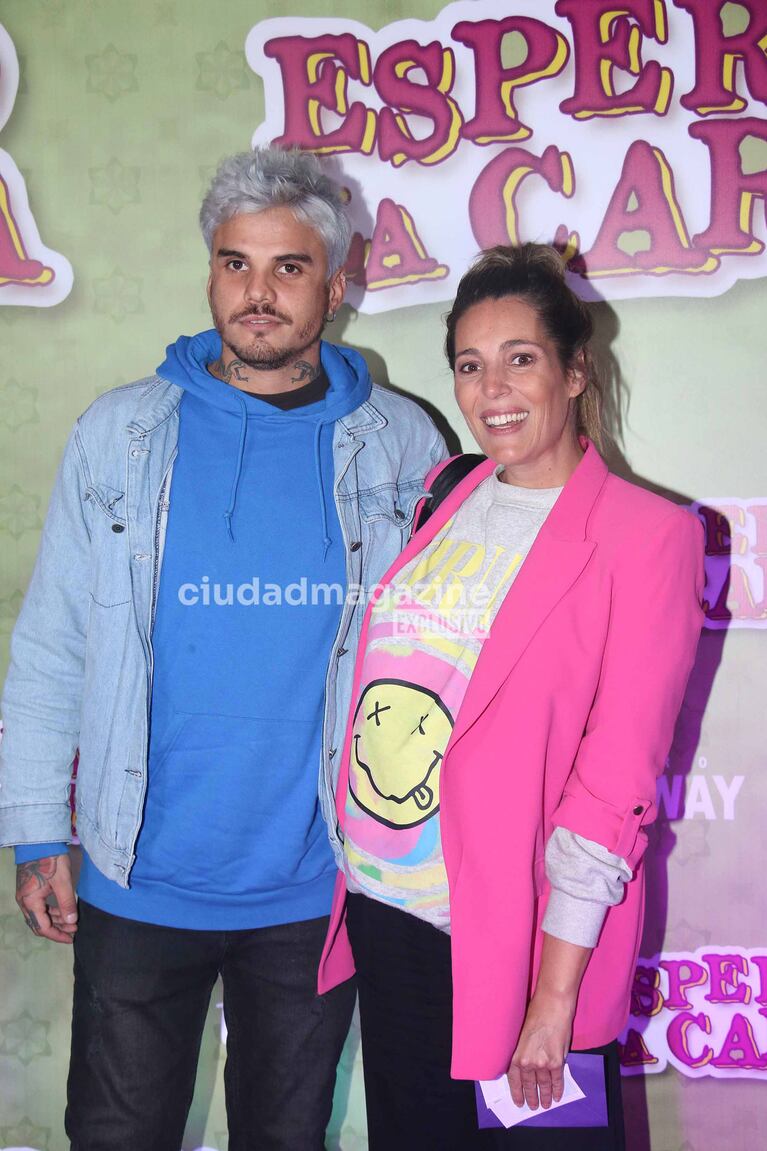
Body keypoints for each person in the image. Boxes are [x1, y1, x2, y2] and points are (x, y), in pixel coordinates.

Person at [0, 146, 446, 1150]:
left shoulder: (401, 444)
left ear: (336, 283)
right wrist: (35, 827)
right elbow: (51, 644)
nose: (256, 292)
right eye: (235, 263)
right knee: (117, 1134)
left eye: (288, 267)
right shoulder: (120, 435)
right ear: (210, 271)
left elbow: (433, 673)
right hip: (135, 872)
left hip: (310, 884)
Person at [318, 244, 705, 1149]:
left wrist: (552, 998)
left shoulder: (646, 538)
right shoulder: (450, 494)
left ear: (574, 370)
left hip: (520, 940)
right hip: (390, 912)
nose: (491, 387)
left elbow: (612, 787)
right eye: (468, 363)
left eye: (519, 357)